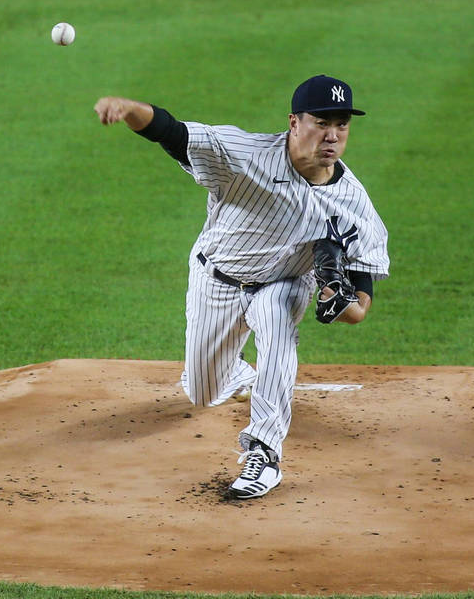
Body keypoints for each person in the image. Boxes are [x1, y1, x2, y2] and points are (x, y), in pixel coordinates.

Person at [93, 74, 390, 498]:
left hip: (284, 283)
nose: (332, 135)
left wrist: (342, 304)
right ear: (294, 122)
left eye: (341, 124)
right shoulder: (245, 155)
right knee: (203, 392)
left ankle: (264, 455)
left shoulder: (354, 204)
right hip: (216, 279)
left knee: (278, 327)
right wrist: (128, 109)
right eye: (321, 122)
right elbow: (173, 133)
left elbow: (360, 299)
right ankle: (238, 373)